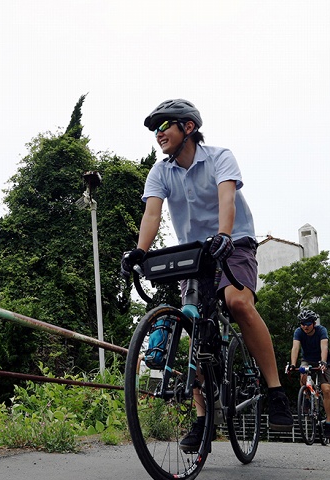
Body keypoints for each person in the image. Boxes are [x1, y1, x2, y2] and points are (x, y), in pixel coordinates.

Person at [121, 99, 293, 452]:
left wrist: (225, 236)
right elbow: (152, 215)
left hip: (234, 241)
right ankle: (202, 420)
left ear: (188, 127)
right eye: (155, 129)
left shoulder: (219, 157)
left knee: (237, 302)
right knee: (193, 324)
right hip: (193, 255)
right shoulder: (160, 172)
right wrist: (140, 251)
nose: (158, 134)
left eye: (164, 126)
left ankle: (275, 391)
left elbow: (226, 200)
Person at [288, 309, 330, 438]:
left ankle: (329, 423)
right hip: (307, 360)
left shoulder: (321, 330)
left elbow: (324, 347)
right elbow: (295, 347)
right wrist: (292, 364)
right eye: (302, 323)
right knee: (302, 375)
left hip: (324, 361)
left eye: (308, 323)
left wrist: (323, 362)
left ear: (314, 323)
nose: (305, 326)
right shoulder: (299, 332)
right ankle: (307, 399)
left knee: (326, 389)